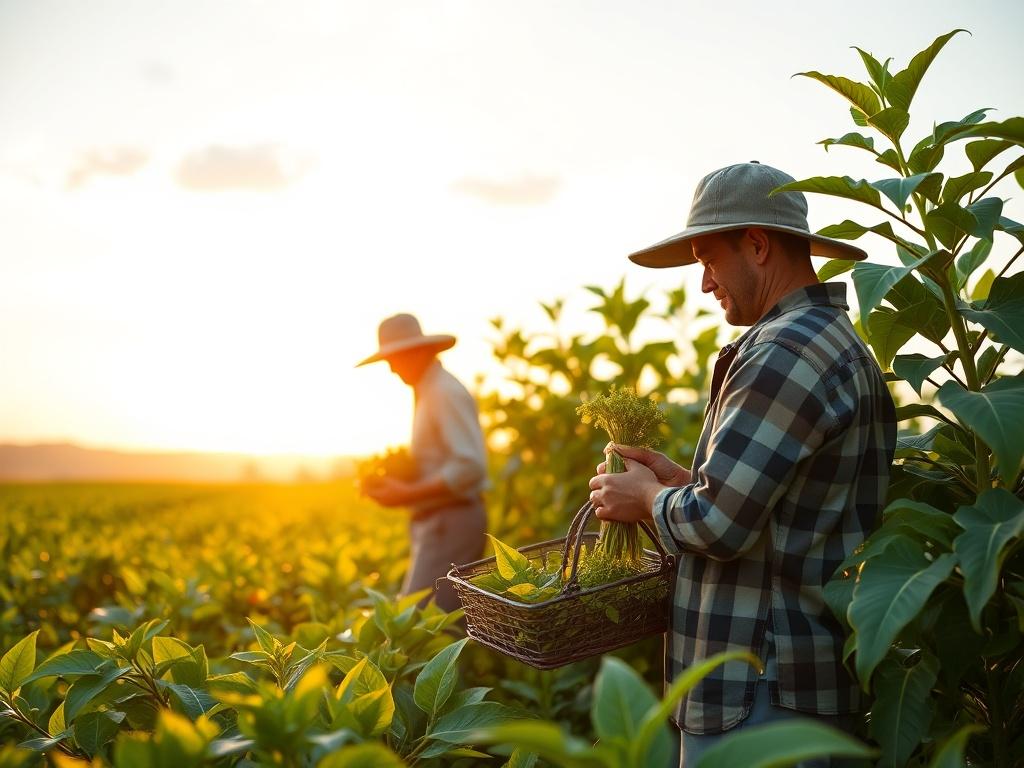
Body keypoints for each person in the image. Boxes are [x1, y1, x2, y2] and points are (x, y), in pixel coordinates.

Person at [586, 162, 897, 767]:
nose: (704, 283)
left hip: (757, 690)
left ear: (756, 245)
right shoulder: (830, 339)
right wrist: (686, 483)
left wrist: (646, 500)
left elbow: (718, 527)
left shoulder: (782, 352)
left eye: (707, 259)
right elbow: (770, 508)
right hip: (797, 684)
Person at [356, 313, 488, 612]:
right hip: (440, 521)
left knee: (420, 623)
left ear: (417, 352)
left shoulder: (443, 392)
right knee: (435, 623)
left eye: (394, 359)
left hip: (451, 520)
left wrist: (406, 493)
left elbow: (470, 466)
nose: (391, 369)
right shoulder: (429, 390)